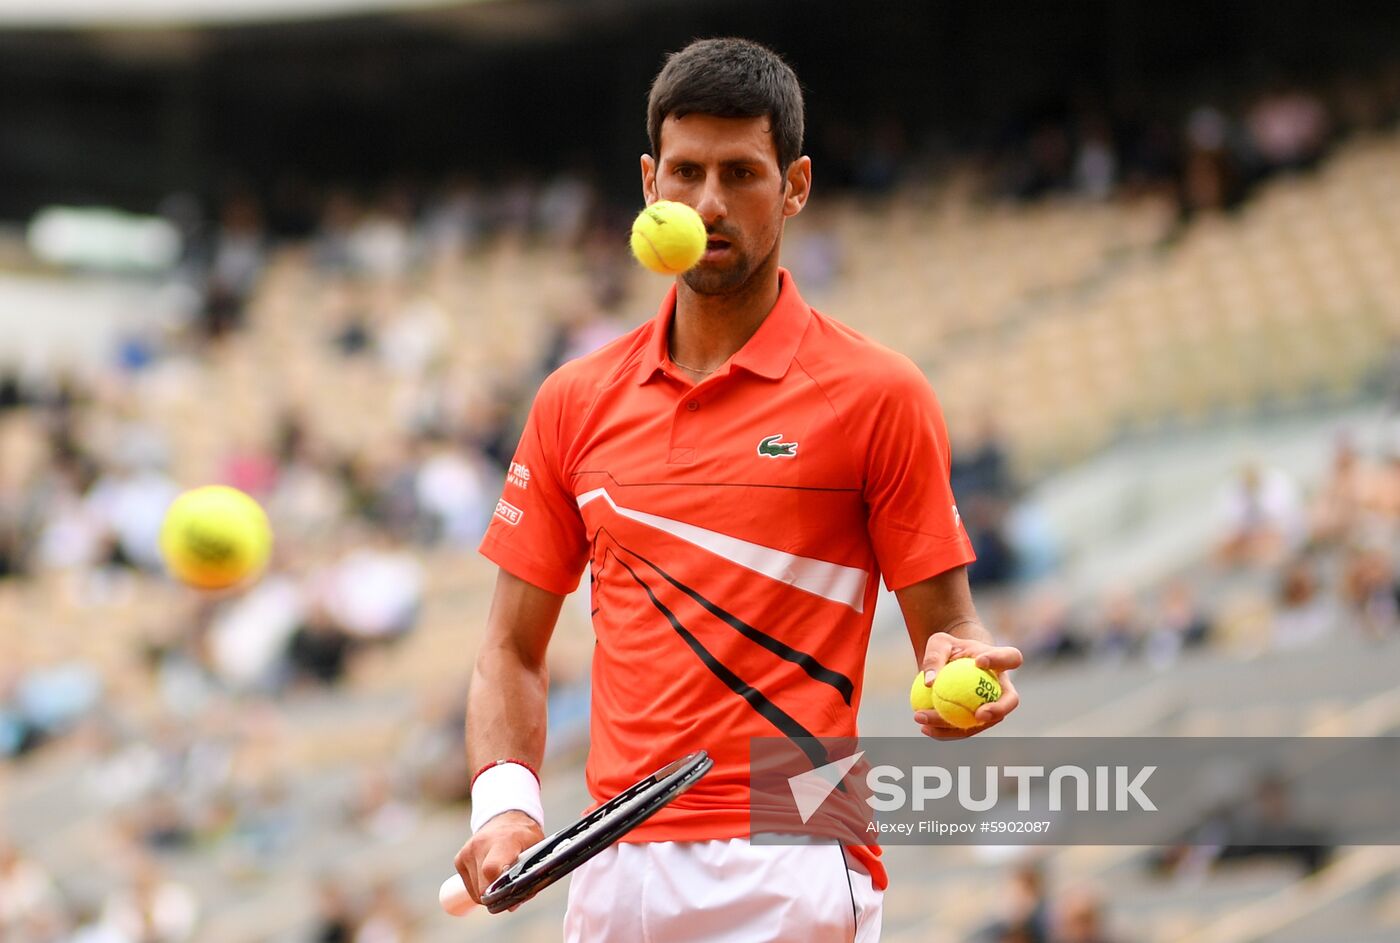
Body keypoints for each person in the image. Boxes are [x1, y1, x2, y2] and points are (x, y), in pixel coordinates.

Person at [454, 37, 1023, 941]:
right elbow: (510, 648)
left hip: (793, 836)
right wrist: (504, 806)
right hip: (613, 859)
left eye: (741, 173)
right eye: (685, 171)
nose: (708, 203)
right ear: (649, 183)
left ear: (795, 186)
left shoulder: (879, 393)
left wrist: (962, 679)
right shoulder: (574, 400)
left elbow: (950, 633)